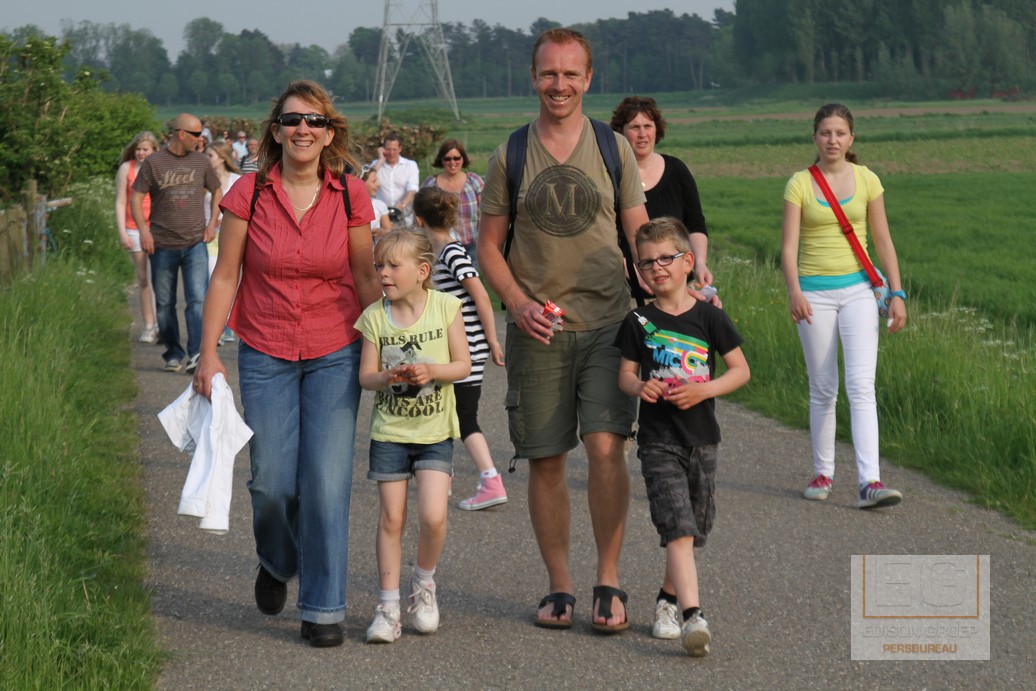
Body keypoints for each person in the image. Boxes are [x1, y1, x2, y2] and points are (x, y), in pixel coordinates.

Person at [192, 80, 381, 648]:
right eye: (293, 119)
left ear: (329, 133)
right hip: (265, 348)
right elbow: (226, 275)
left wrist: (392, 344)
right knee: (271, 482)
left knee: (325, 482)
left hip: (335, 349)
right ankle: (277, 560)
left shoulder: (350, 195)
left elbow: (365, 274)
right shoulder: (248, 192)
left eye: (315, 121)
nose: (304, 129)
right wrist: (207, 354)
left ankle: (323, 609)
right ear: (276, 130)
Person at [477, 27, 650, 632]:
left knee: (605, 447)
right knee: (546, 458)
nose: (560, 84)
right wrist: (517, 303)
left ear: (588, 79)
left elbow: (639, 232)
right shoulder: (510, 154)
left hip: (609, 323)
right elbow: (488, 247)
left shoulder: (613, 148)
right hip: (539, 330)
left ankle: (608, 579)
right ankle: (559, 585)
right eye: (549, 73)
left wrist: (677, 282)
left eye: (571, 73)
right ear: (534, 77)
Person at [616, 217, 750, 656]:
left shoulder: (710, 317)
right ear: (639, 270)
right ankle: (694, 615)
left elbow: (740, 371)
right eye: (647, 262)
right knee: (677, 526)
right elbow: (625, 376)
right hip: (658, 440)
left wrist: (703, 390)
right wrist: (640, 387)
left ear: (688, 262)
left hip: (702, 437)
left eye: (666, 259)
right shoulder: (638, 320)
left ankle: (667, 600)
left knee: (695, 528)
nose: (657, 268)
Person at [781, 102, 906, 510]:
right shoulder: (800, 183)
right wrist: (795, 292)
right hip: (813, 296)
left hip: (859, 293)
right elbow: (788, 247)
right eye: (825, 132)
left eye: (839, 133)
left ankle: (870, 481)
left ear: (851, 138)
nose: (832, 140)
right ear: (815, 137)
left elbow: (883, 240)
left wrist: (898, 293)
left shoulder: (867, 179)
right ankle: (823, 473)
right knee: (823, 387)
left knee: (861, 386)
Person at [356, 228, 470, 643]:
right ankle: (387, 608)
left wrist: (432, 371)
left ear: (422, 271)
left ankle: (423, 583)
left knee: (434, 516)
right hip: (389, 433)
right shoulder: (374, 317)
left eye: (393, 265)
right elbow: (365, 377)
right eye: (379, 266)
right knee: (392, 518)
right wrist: (386, 378)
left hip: (435, 432)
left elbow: (463, 364)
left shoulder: (445, 307)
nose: (383, 273)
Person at [415, 187, 507, 510]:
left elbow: (481, 296)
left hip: (467, 350)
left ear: (419, 219)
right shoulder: (436, 254)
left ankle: (491, 481)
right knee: (444, 413)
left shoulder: (452, 253)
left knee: (464, 417)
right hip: (452, 350)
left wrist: (493, 340)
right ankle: (443, 478)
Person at [131, 113, 222, 374]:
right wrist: (143, 231)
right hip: (162, 244)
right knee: (164, 303)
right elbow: (136, 198)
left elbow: (217, 190)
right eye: (196, 135)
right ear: (181, 134)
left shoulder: (201, 161)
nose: (200, 139)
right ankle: (173, 353)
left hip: (195, 243)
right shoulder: (154, 162)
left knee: (197, 300)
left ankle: (196, 354)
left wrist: (211, 223)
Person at [610, 96, 712, 288]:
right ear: (620, 132)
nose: (642, 134)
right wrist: (631, 270)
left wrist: (699, 263)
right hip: (626, 287)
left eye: (648, 126)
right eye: (635, 127)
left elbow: (695, 224)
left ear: (657, 130)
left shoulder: (677, 170)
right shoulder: (610, 176)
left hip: (678, 287)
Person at [115, 130, 160, 344]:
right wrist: (122, 231)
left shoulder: (159, 168)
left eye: (145, 149)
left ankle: (161, 323)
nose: (141, 153)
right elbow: (120, 201)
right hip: (133, 228)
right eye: (138, 149)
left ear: (154, 150)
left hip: (157, 228)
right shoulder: (127, 168)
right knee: (143, 278)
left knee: (158, 277)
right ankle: (149, 325)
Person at [421, 139, 485, 265]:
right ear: (441, 160)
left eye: (456, 158)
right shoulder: (431, 184)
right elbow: (422, 218)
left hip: (473, 246)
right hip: (441, 248)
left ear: (463, 159)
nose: (452, 162)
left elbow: (486, 213)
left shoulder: (474, 181)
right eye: (447, 159)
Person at [202, 142, 241, 345]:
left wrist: (226, 219)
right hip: (209, 237)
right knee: (213, 280)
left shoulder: (237, 181)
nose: (206, 158)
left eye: (210, 155)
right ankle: (216, 329)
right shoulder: (202, 179)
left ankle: (228, 327)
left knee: (231, 281)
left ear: (222, 158)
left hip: (232, 238)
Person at [371, 133, 419, 215]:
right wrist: (381, 160)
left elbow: (412, 189)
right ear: (383, 149)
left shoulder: (410, 165)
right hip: (381, 214)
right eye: (388, 149)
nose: (391, 152)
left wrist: (403, 204)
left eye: (394, 149)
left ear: (400, 149)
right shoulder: (376, 164)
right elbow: (367, 179)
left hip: (404, 213)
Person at [361, 164, 393, 239]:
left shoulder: (379, 205)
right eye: (374, 181)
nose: (378, 184)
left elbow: (389, 233)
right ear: (361, 183)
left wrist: (382, 232)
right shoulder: (349, 206)